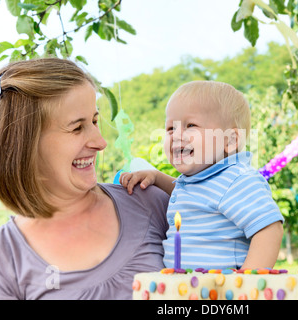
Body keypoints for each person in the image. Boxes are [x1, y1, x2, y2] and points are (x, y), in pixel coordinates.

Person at [0, 58, 169, 300]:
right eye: (77, 128)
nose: (101, 143)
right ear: (22, 146)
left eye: (95, 121)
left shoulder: (148, 200)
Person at [120, 81, 284, 270]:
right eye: (170, 128)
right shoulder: (202, 181)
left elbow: (269, 229)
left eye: (191, 125)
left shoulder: (237, 178)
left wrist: (246, 283)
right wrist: (156, 177)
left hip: (222, 291)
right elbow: (199, 197)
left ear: (230, 140)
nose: (176, 135)